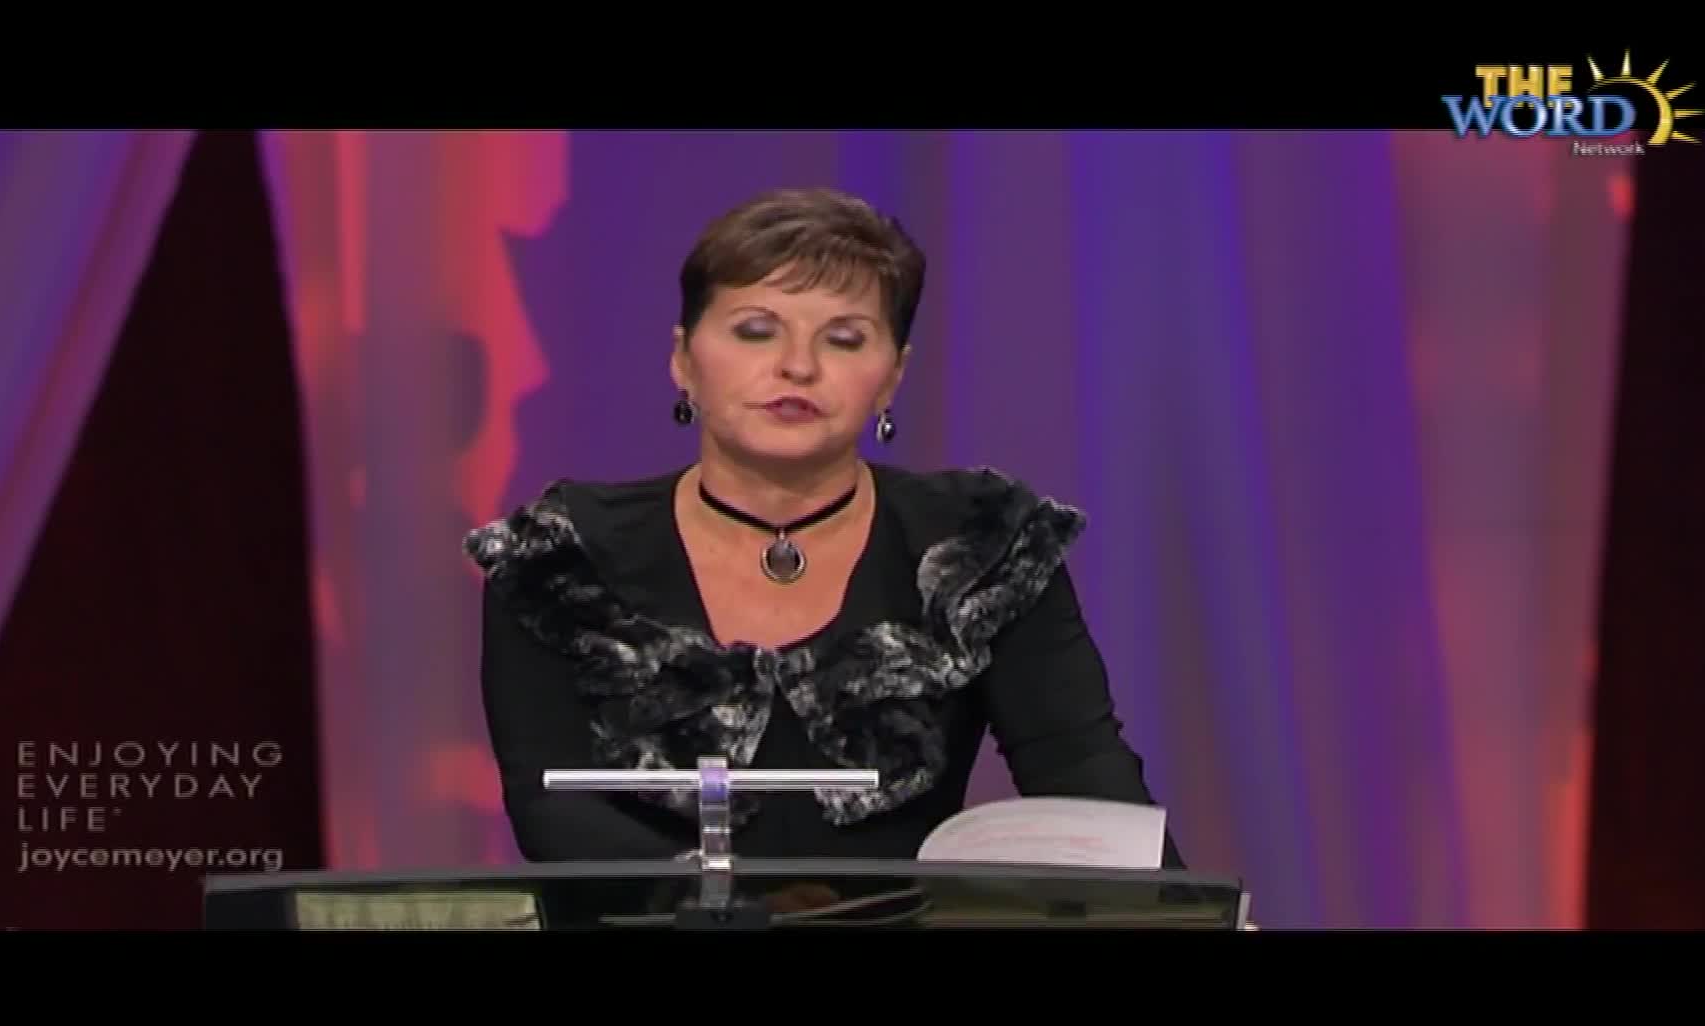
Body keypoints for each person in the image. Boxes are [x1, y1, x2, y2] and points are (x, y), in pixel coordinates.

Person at [466, 186, 1184, 871]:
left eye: (843, 340)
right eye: (755, 331)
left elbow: (1084, 778)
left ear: (892, 376)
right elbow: (548, 811)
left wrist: (1190, 913)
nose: (797, 367)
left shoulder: (978, 548)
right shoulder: (561, 559)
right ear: (684, 360)